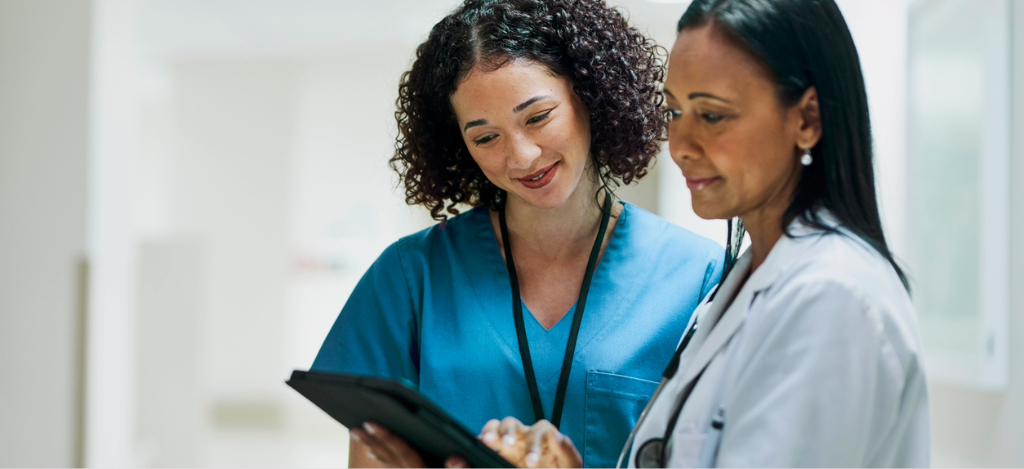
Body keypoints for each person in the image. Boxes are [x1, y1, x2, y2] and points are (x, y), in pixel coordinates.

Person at [481, 0, 931, 467]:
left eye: (712, 116)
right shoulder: (744, 284)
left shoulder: (831, 298)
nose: (680, 146)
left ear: (807, 119)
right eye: (675, 112)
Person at [310, 0, 724, 467]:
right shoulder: (409, 277)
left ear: (590, 93)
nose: (522, 156)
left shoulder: (698, 277)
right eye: (486, 137)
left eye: (538, 116)